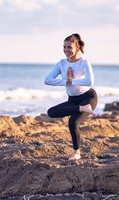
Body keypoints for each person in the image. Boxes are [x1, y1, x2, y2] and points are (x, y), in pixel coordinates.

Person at [44, 33, 98, 161]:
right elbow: (47, 80)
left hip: (88, 97)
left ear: (77, 47)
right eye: (64, 47)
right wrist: (65, 81)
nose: (66, 50)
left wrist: (72, 81)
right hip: (73, 101)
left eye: (69, 47)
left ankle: (76, 152)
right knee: (51, 112)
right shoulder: (61, 64)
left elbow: (90, 82)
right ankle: (82, 108)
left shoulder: (84, 63)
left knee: (73, 122)